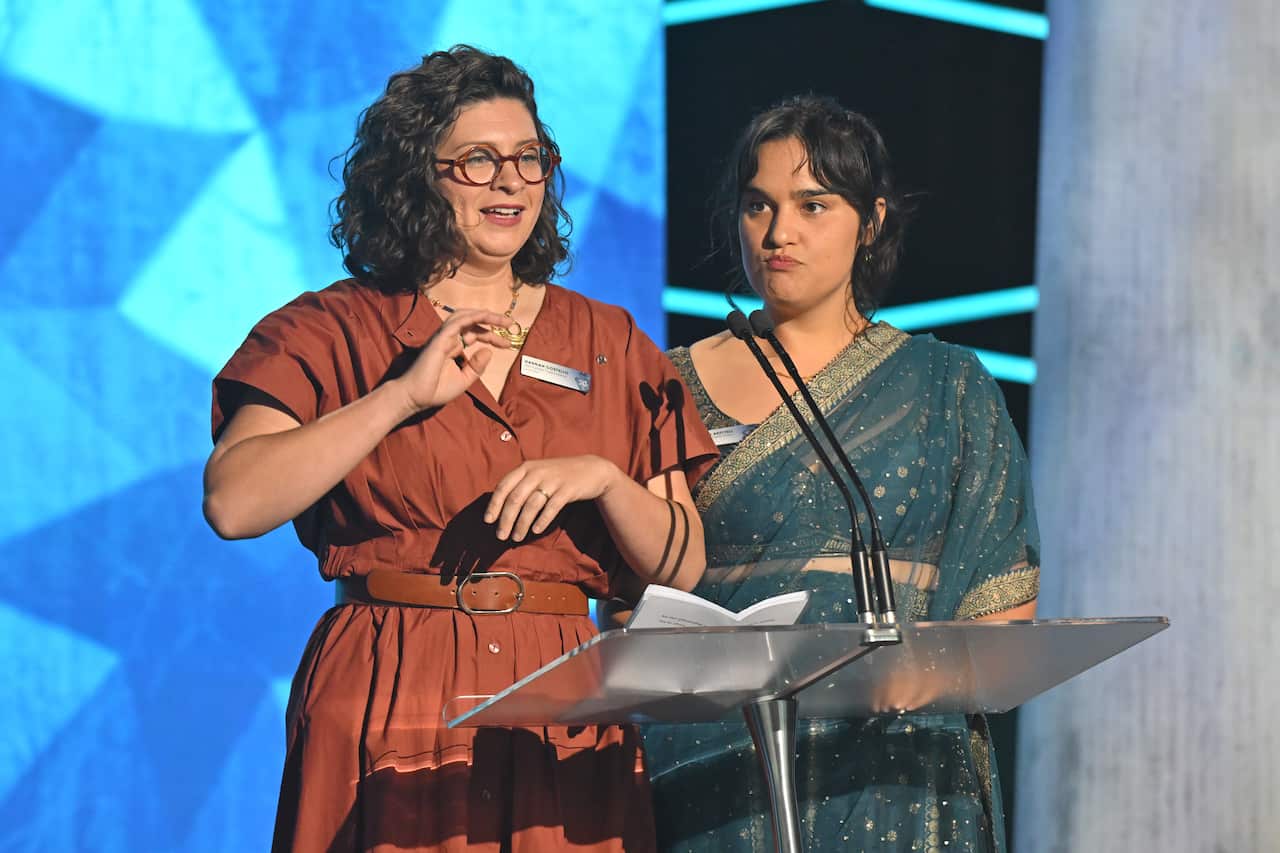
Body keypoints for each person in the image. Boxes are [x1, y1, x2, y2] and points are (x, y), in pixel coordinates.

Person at [202, 45, 718, 852]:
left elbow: (682, 567)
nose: (511, 182)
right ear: (417, 175)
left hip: (565, 706)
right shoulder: (330, 328)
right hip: (393, 683)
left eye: (529, 158)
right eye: (479, 160)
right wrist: (400, 396)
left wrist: (605, 481)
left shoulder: (611, 339)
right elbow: (233, 503)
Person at [637, 95, 1040, 852]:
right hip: (720, 770)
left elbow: (1002, 609)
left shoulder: (948, 386)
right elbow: (632, 600)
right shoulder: (667, 385)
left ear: (873, 220)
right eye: (758, 205)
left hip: (901, 769)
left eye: (812, 205)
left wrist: (911, 680)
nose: (778, 233)